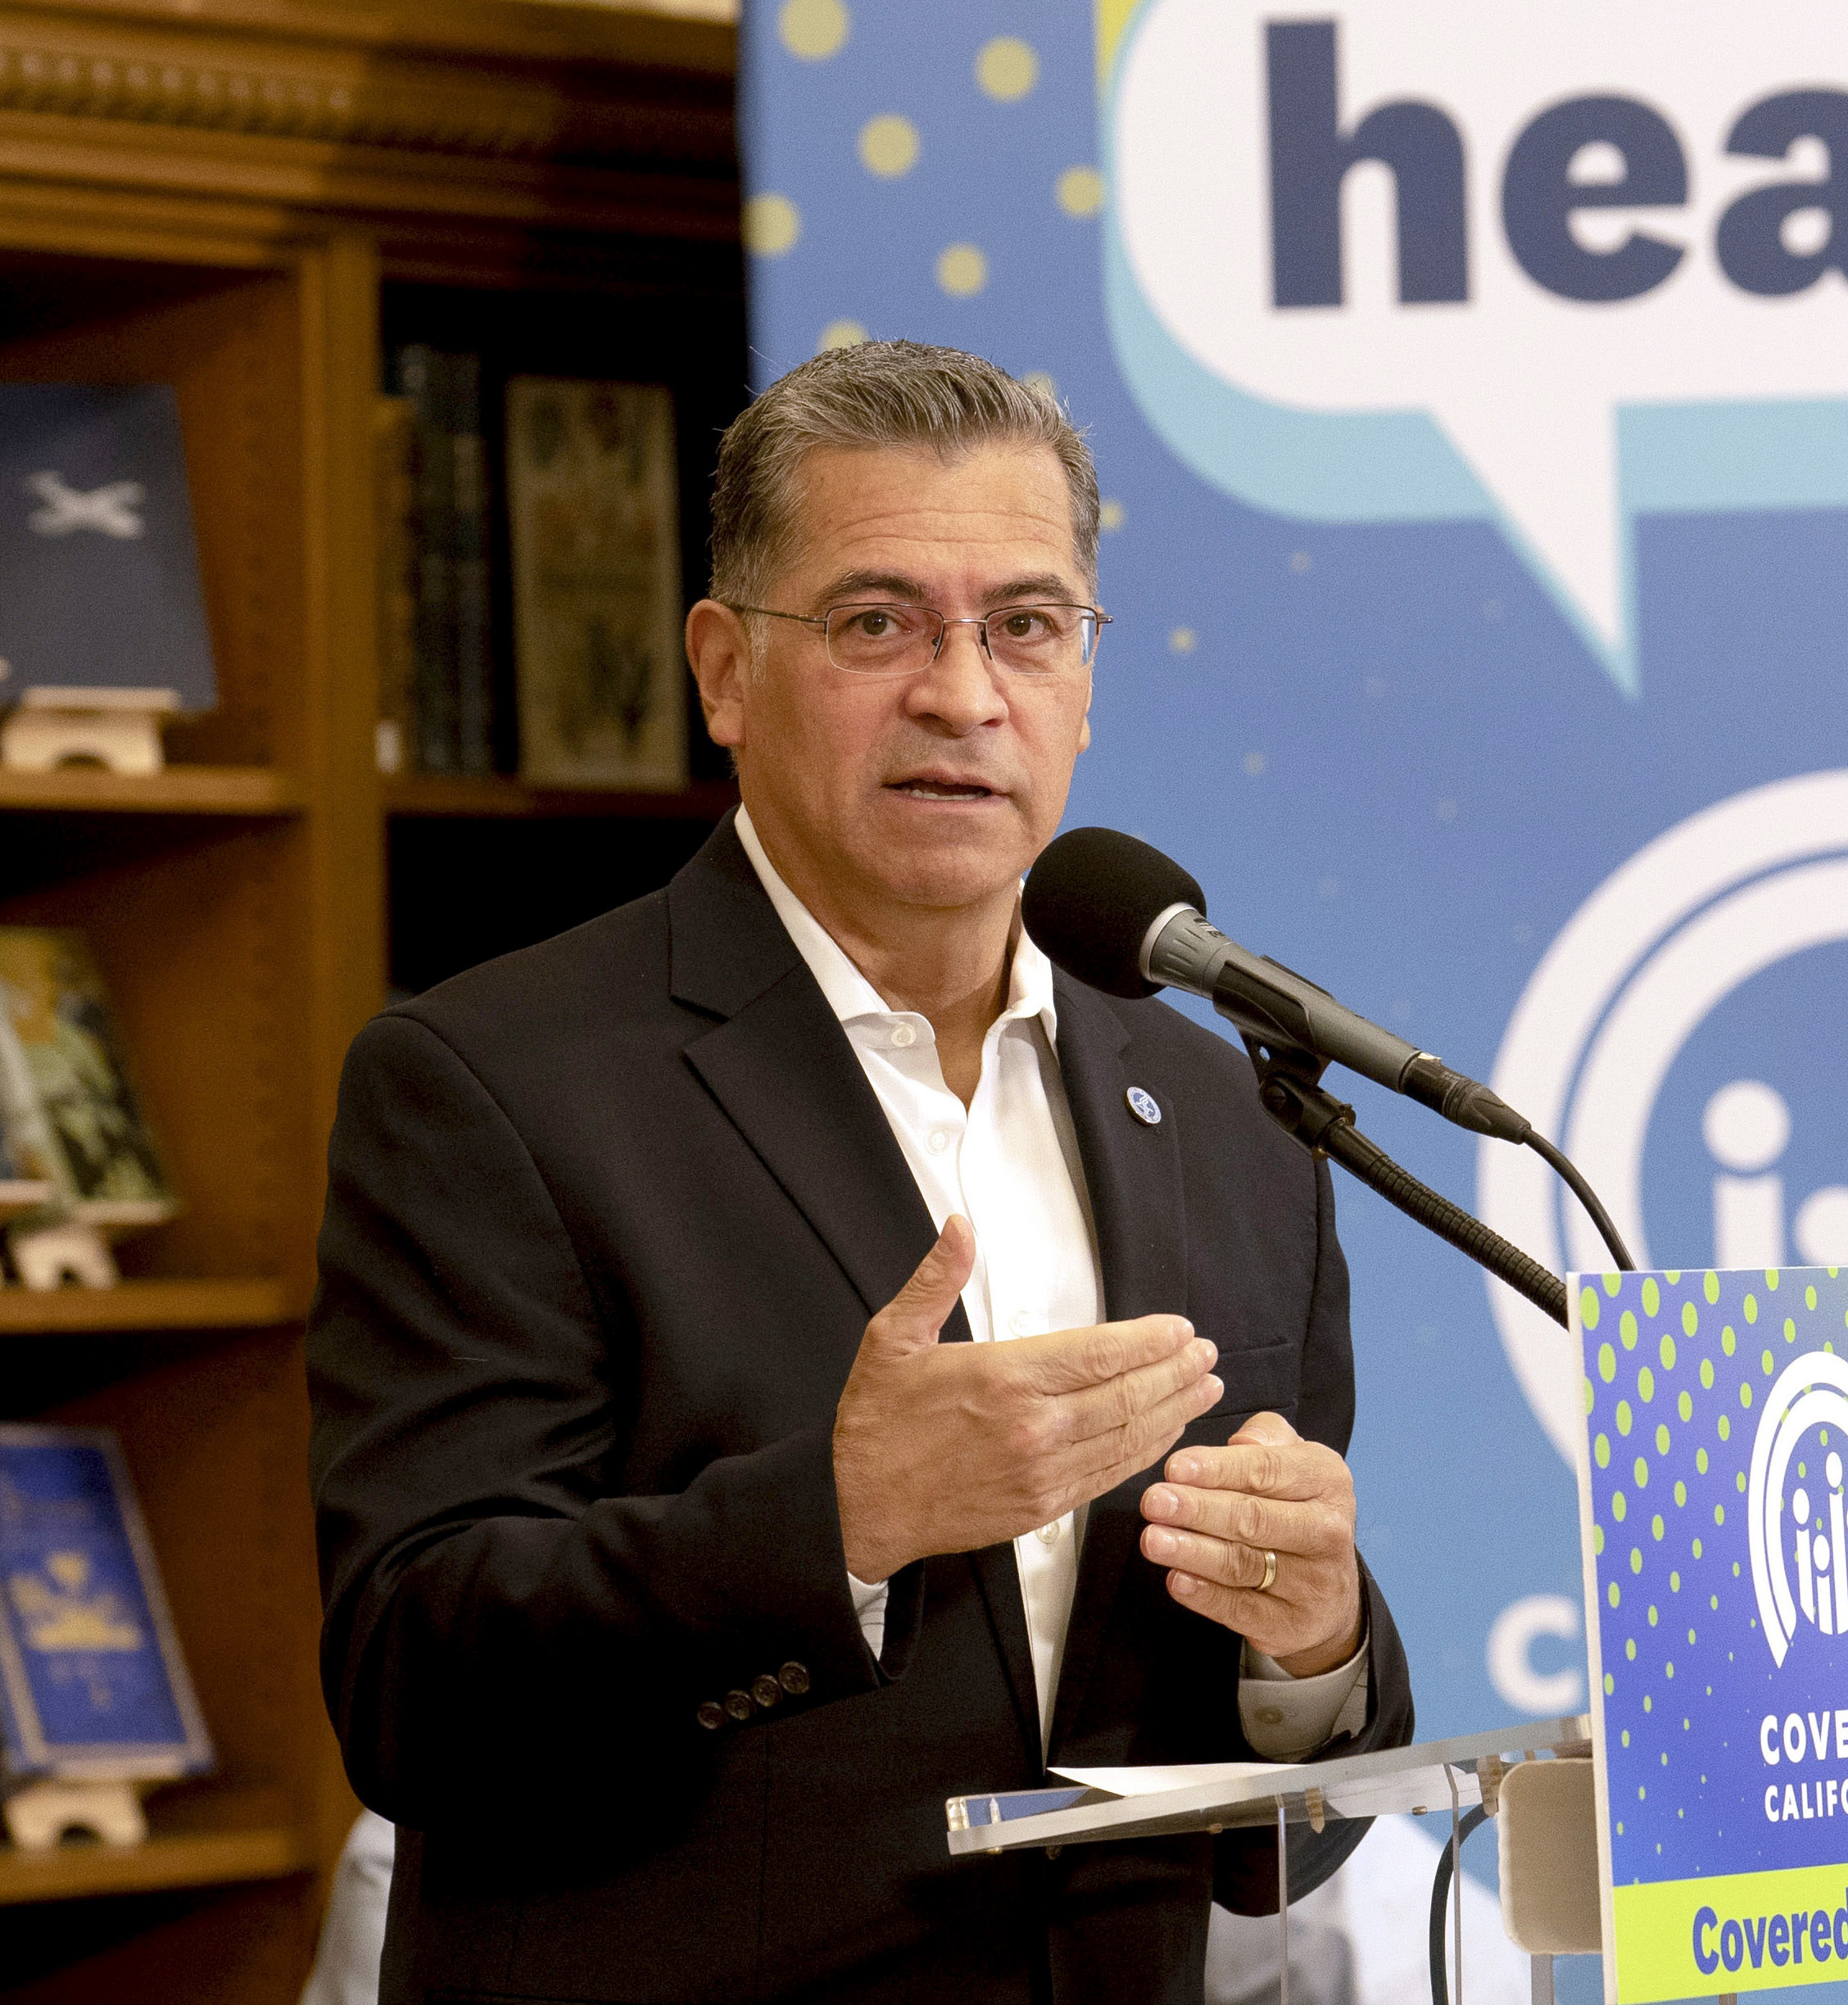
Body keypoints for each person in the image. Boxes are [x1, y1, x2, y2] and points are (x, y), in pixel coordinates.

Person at [308, 340, 1414, 2003]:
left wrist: (1311, 1647)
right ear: (725, 669)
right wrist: (843, 1522)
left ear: (1086, 684)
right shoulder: (494, 1084)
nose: (964, 693)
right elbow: (417, 1688)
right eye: (878, 621)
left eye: (1027, 627)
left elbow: (1277, 1835)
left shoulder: (1235, 1115)